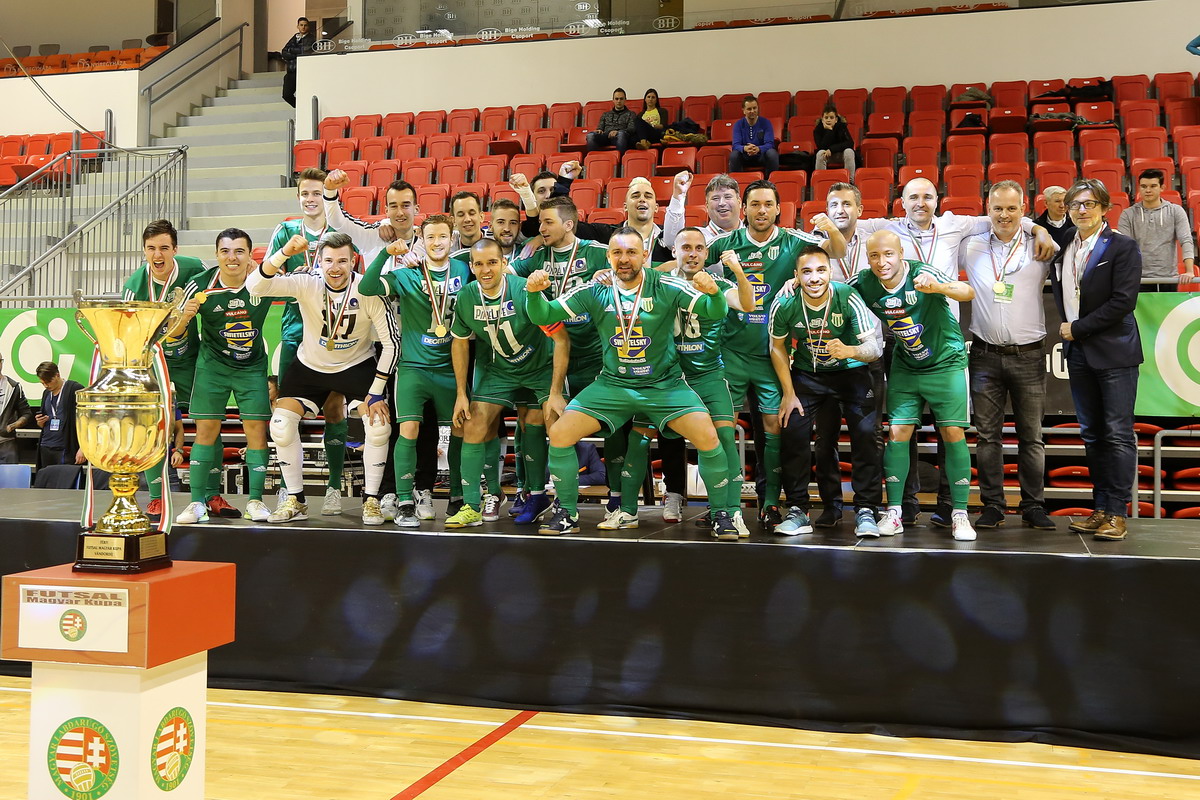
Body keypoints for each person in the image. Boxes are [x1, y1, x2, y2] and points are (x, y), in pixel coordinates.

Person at [526, 227, 740, 540]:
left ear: (644, 256)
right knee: (559, 434)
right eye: (617, 253)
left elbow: (714, 311)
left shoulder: (666, 284)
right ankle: (568, 512)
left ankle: (722, 513)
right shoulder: (595, 290)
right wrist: (534, 293)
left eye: (631, 252)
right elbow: (542, 314)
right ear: (608, 257)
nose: (624, 259)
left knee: (709, 437)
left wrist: (714, 293)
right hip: (613, 385)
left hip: (664, 385)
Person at [705, 179, 846, 528]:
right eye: (755, 205)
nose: (761, 211)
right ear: (744, 208)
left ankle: (769, 504)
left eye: (768, 204)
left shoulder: (795, 241)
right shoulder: (724, 244)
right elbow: (685, 261)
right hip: (731, 353)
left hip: (773, 354)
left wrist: (830, 229)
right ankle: (725, 505)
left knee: (773, 426)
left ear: (779, 209)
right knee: (721, 429)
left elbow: (838, 251)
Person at [247, 232, 400, 526]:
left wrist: (377, 392)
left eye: (342, 260)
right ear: (319, 261)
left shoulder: (368, 289)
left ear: (353, 260)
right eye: (328, 260)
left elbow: (392, 343)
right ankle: (297, 500)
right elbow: (255, 285)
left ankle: (371, 500)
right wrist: (283, 253)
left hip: (356, 364)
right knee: (279, 425)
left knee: (379, 425)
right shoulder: (308, 283)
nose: (335, 267)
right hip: (310, 365)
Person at [616, 227, 754, 534]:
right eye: (685, 248)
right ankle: (627, 511)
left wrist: (739, 271)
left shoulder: (718, 282)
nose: (692, 253)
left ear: (706, 254)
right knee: (638, 440)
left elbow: (748, 305)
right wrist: (604, 275)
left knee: (723, 441)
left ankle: (730, 512)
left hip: (707, 376)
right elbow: (625, 276)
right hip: (664, 377)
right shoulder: (656, 281)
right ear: (674, 252)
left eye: (698, 248)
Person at [849, 231, 978, 542]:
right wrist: (794, 282)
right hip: (906, 364)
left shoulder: (921, 272)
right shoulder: (864, 282)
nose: (882, 262)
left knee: (952, 433)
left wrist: (940, 287)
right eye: (875, 256)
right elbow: (834, 291)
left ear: (901, 253)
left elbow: (967, 291)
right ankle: (894, 512)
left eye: (889, 254)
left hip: (946, 362)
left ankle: (960, 514)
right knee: (897, 433)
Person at [359, 214, 472, 527]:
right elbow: (368, 287)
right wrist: (387, 253)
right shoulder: (407, 273)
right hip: (414, 367)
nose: (437, 243)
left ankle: (458, 498)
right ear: (422, 239)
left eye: (443, 237)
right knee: (408, 430)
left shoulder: (464, 269)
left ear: (452, 238)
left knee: (460, 431)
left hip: (452, 368)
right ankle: (405, 500)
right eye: (431, 237)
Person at [448, 238, 570, 527]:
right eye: (479, 264)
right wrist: (461, 394)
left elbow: (562, 339)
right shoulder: (466, 297)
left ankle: (560, 503)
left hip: (539, 367)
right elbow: (460, 343)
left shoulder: (524, 290)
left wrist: (555, 391)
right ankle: (470, 506)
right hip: (498, 370)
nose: (486, 269)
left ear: (504, 263)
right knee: (473, 424)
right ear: (471, 267)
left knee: (551, 425)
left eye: (492, 262)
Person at [510, 197, 619, 513]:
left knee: (612, 425)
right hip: (554, 353)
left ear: (569, 224)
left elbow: (635, 279)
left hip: (596, 354)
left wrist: (611, 282)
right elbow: (504, 275)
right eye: (540, 222)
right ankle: (552, 498)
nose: (540, 228)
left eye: (547, 222)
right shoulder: (535, 256)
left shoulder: (599, 253)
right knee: (552, 425)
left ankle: (617, 496)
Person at [959, 181, 1056, 532]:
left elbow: (1062, 228)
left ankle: (1034, 505)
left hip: (1029, 356)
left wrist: (1039, 227)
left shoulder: (1041, 244)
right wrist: (1035, 223)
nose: (1004, 215)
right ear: (988, 208)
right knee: (988, 437)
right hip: (984, 354)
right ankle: (993, 506)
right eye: (998, 208)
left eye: (1012, 208)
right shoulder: (970, 246)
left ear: (1023, 207)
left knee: (1032, 436)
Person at [1050, 179, 1143, 542]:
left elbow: (1123, 302)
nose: (1082, 210)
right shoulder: (1063, 250)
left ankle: (1117, 513)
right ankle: (1100, 507)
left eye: (1089, 204)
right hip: (1080, 355)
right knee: (1092, 434)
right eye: (1075, 205)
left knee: (1118, 433)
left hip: (1114, 352)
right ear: (1067, 209)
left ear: (1104, 208)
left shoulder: (1122, 247)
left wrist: (1078, 328)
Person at [771, 245, 882, 537]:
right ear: (796, 275)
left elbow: (874, 348)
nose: (814, 278)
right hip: (809, 375)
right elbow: (777, 347)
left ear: (830, 272)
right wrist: (788, 393)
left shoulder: (847, 296)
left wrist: (850, 350)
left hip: (851, 373)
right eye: (806, 272)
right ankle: (799, 509)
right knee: (794, 430)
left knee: (866, 435)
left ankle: (867, 509)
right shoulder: (784, 301)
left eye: (821, 270)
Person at [267, 167, 357, 516]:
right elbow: (268, 272)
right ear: (298, 197)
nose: (310, 199)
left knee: (335, 409)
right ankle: (292, 491)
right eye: (304, 193)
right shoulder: (286, 230)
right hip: (294, 331)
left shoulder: (340, 230)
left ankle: (334, 487)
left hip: (333, 333)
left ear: (327, 195)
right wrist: (295, 276)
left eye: (317, 193)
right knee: (286, 412)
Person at [171, 229, 274, 524]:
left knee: (256, 431)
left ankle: (255, 501)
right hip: (212, 366)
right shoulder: (199, 286)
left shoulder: (262, 283)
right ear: (217, 255)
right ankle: (196, 504)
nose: (232, 257)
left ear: (249, 255)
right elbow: (172, 335)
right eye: (226, 251)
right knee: (205, 432)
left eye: (239, 251)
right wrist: (185, 317)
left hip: (251, 367)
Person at [121, 219, 207, 520]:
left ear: (175, 249)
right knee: (153, 427)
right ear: (144, 250)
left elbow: (216, 295)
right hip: (154, 361)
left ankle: (211, 495)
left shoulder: (194, 268)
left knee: (208, 421)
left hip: (192, 358)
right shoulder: (134, 287)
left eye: (164, 248)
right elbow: (130, 335)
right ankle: (156, 497)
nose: (158, 255)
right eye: (151, 248)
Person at [1118, 168, 1196, 287]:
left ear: (1162, 188)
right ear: (1139, 188)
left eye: (1153, 186)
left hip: (1168, 279)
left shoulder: (1176, 211)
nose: (1148, 190)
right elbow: (1125, 247)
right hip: (1137, 280)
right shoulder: (1127, 214)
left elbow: (1186, 240)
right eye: (1144, 186)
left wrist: (1190, 271)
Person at [662, 172, 744, 247]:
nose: (722, 203)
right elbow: (672, 243)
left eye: (728, 197)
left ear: (739, 202)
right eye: (715, 198)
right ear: (707, 206)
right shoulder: (696, 237)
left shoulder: (753, 234)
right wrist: (679, 196)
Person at [34, 362, 84, 469]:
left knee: (63, 482)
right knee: (46, 481)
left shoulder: (74, 389)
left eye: (48, 382)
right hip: (46, 445)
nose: (46, 385)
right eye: (43, 383)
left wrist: (83, 448)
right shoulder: (46, 393)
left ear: (57, 375)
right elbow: (42, 423)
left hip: (65, 447)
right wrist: (40, 422)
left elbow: (86, 421)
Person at [729, 95, 779, 176]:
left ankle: (770, 182)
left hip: (761, 156)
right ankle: (737, 182)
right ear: (743, 110)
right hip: (745, 156)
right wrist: (745, 148)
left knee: (772, 153)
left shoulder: (766, 122)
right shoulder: (738, 124)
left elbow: (770, 144)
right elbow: (735, 145)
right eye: (749, 109)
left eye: (754, 108)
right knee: (734, 155)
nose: (752, 111)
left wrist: (758, 149)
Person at [0, 354, 32, 464]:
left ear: (2, 362)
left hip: (7, 443)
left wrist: (14, 425)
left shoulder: (13, 387)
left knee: (9, 478)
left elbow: (26, 413)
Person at [587, 88, 636, 154]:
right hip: (606, 137)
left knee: (621, 134)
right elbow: (600, 128)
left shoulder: (631, 114)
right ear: (613, 100)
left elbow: (632, 129)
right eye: (616, 99)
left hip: (620, 137)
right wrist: (599, 130)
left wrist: (617, 132)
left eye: (621, 99)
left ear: (625, 100)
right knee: (590, 136)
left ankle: (620, 162)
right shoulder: (606, 114)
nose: (619, 101)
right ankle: (594, 160)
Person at [813, 104, 856, 179]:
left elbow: (850, 143)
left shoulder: (842, 127)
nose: (828, 120)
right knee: (820, 153)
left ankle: (850, 182)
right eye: (826, 118)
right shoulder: (818, 130)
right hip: (827, 156)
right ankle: (821, 180)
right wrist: (829, 130)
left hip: (841, 154)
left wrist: (832, 149)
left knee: (849, 152)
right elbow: (821, 147)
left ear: (836, 119)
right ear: (822, 119)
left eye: (831, 117)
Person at [281, 17, 315, 107]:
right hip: (291, 71)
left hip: (302, 71)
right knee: (286, 95)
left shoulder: (311, 38)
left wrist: (291, 50)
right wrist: (295, 54)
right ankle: (300, 108)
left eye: (305, 25)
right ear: (298, 26)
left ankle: (303, 109)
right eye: (301, 25)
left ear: (308, 27)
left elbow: (305, 51)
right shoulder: (294, 37)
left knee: (303, 94)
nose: (303, 27)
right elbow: (284, 52)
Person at [1034, 185, 1076, 250]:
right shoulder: (1036, 226)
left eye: (1064, 201)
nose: (1062, 205)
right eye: (1057, 201)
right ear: (1046, 203)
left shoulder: (1076, 224)